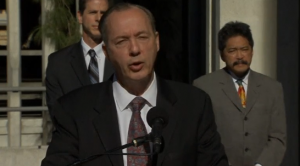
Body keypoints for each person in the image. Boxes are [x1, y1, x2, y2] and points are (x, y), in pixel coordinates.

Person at [42, 3, 229, 166]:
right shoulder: (74, 109)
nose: (134, 49)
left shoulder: (194, 105)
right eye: (122, 41)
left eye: (142, 37)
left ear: (156, 42)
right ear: (107, 52)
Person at [193, 21, 286, 166]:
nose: (240, 56)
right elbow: (201, 138)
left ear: (252, 51)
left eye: (244, 49)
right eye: (232, 51)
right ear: (222, 55)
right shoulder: (204, 86)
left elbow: (278, 137)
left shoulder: (272, 88)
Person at [45, 0, 114, 116]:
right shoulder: (58, 63)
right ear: (80, 17)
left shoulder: (120, 58)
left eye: (103, 13)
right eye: (92, 12)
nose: (98, 18)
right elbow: (57, 111)